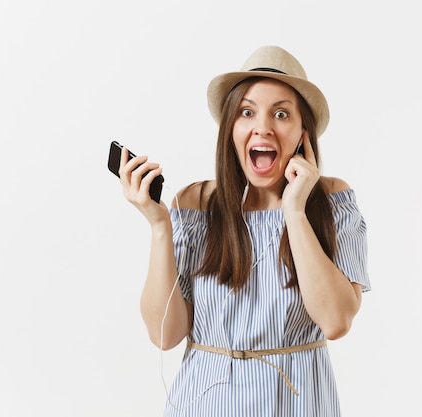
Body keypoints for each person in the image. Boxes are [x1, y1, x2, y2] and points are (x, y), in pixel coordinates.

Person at [117, 45, 371, 416]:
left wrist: (295, 210)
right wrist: (160, 226)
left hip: (294, 404)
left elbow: (335, 321)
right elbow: (164, 335)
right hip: (204, 402)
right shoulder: (194, 204)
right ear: (230, 129)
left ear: (303, 133)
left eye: (281, 113)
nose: (262, 127)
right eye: (246, 112)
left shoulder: (332, 202)